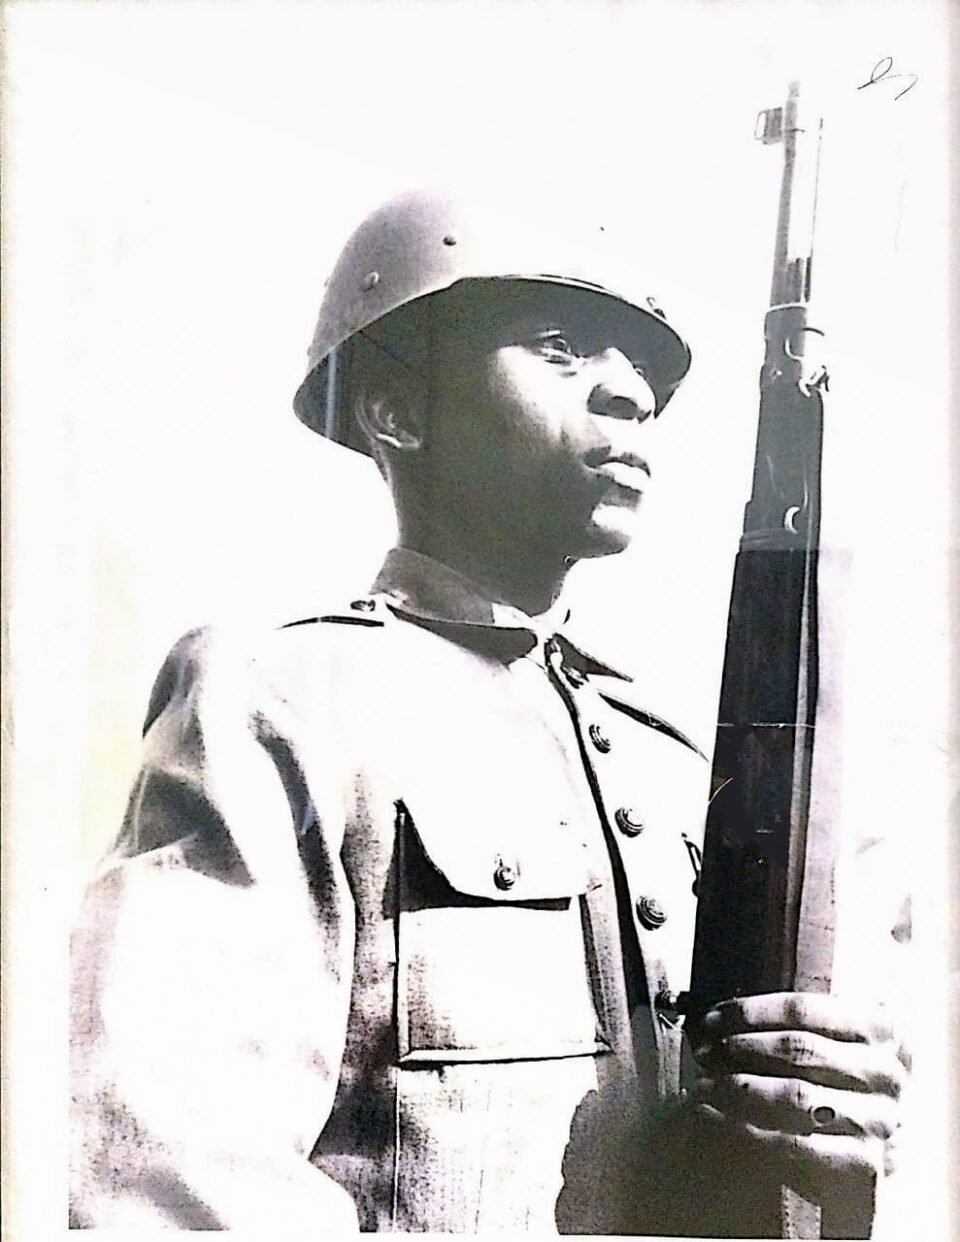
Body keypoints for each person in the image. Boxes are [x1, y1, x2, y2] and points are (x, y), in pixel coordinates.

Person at [70, 188, 908, 1234]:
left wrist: (828, 1115)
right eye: (561, 349)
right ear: (398, 411)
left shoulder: (676, 758)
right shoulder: (283, 702)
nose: (629, 394)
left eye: (642, 371)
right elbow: (174, 1170)